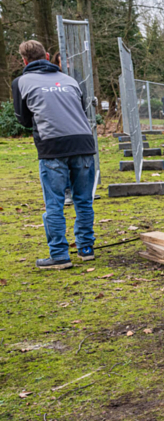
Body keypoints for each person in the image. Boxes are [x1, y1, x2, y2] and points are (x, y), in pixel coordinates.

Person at [12, 40, 97, 270]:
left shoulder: (21, 82)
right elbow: (80, 108)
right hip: (83, 143)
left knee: (55, 203)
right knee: (83, 200)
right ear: (48, 56)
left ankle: (59, 255)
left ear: (24, 61)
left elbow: (23, 119)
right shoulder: (70, 80)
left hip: (52, 147)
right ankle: (86, 248)